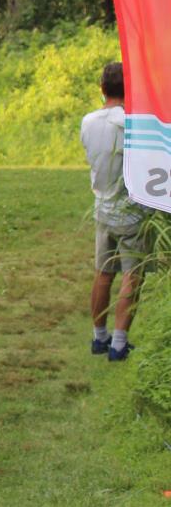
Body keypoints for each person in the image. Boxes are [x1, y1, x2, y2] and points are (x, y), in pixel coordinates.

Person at [80, 61, 150, 362]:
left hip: (102, 208)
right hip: (131, 211)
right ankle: (119, 343)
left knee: (103, 273)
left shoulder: (88, 122)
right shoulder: (132, 124)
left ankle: (99, 337)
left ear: (102, 88)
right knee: (132, 275)